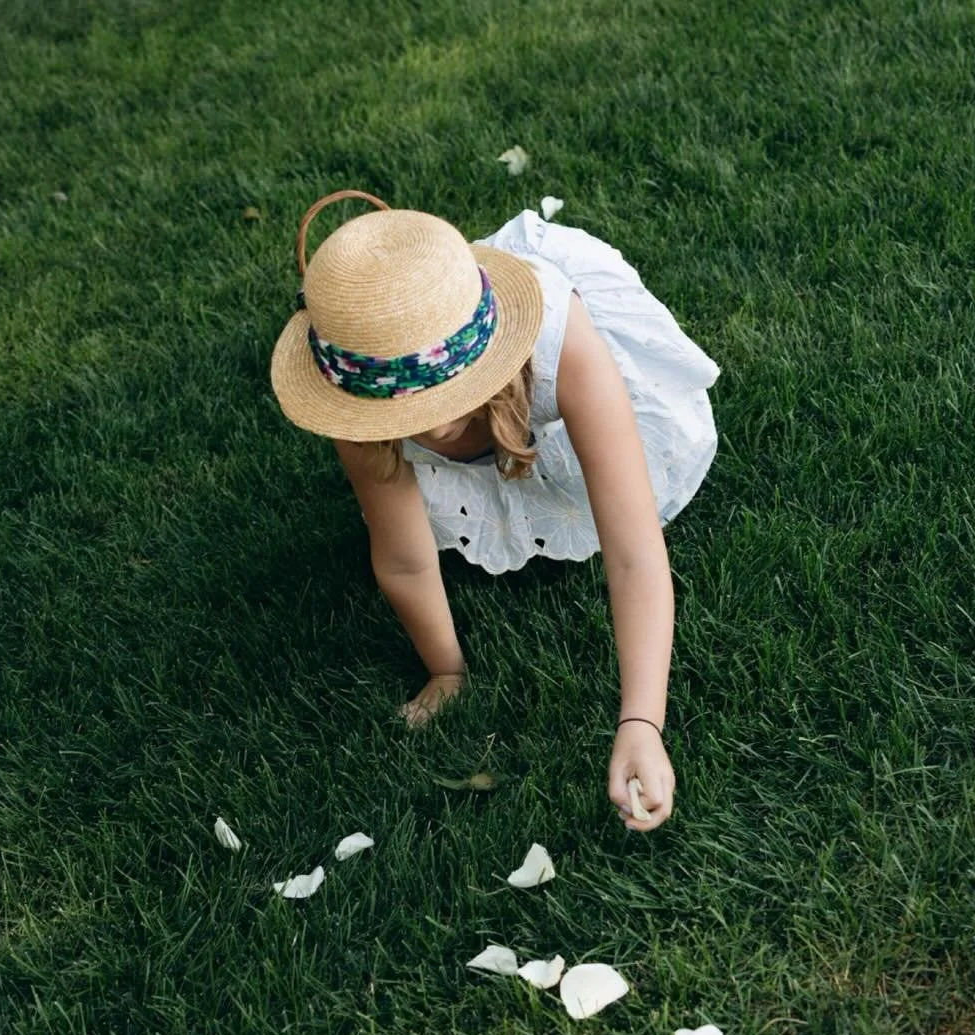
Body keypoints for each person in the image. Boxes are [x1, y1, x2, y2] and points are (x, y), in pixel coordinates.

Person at [269, 188, 721, 833]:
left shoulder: (565, 347)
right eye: (407, 418)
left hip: (560, 365)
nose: (428, 430)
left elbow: (633, 551)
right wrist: (445, 671)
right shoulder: (359, 400)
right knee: (430, 483)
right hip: (448, 362)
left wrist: (641, 722)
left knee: (612, 488)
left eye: (441, 404)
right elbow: (402, 557)